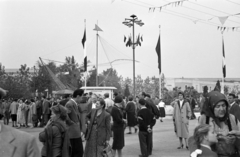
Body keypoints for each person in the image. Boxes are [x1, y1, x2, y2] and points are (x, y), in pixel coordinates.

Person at [198, 91, 240, 157]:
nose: (222, 109)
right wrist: (220, 139)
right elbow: (197, 140)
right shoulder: (204, 119)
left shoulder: (232, 118)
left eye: (223, 105)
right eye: (217, 106)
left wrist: (236, 139)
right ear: (211, 107)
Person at [65, 89, 84, 157]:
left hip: (76, 132)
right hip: (72, 133)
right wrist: (72, 123)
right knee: (77, 152)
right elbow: (65, 115)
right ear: (78, 96)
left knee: (79, 152)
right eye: (82, 97)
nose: (82, 99)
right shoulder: (69, 104)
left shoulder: (74, 104)